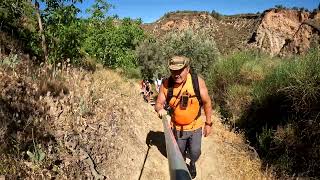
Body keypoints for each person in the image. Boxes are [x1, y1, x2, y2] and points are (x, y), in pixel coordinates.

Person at [155, 55, 213, 179]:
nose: (176, 74)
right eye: (173, 71)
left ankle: (192, 163)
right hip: (177, 128)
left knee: (195, 153)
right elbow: (159, 103)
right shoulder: (166, 85)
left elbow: (207, 102)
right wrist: (160, 109)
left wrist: (208, 124)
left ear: (187, 68)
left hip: (195, 127)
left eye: (180, 70)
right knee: (179, 154)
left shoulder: (197, 82)